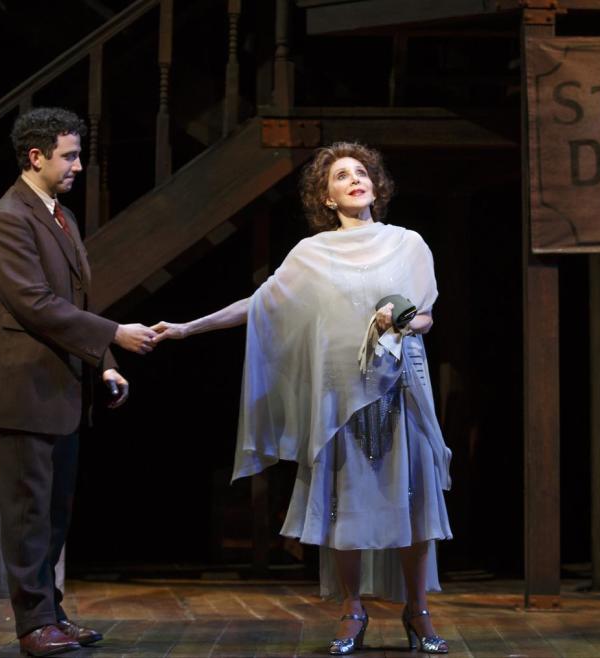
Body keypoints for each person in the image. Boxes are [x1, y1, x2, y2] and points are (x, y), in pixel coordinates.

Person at [152, 142, 452, 655]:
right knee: (346, 504)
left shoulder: (409, 244)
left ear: (376, 186)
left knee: (412, 501)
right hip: (340, 396)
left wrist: (398, 319)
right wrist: (187, 328)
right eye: (341, 176)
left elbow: (424, 317)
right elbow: (261, 303)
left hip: (400, 391)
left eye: (362, 172)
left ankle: (417, 610)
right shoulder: (312, 253)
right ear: (327, 197)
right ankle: (351, 610)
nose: (355, 180)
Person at [0, 107, 158, 657]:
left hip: (62, 389)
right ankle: (33, 624)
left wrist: (102, 360)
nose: (78, 165)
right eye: (69, 155)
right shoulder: (8, 218)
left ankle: (49, 612)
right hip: (24, 390)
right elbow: (35, 305)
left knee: (54, 512)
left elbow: (74, 301)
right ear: (36, 157)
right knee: (28, 512)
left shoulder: (60, 216)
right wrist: (114, 334)